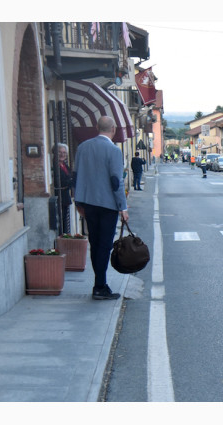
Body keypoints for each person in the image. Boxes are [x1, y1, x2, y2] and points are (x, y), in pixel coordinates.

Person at [73, 116, 128, 300]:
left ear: (97, 127)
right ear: (113, 129)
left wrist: (78, 202)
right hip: (107, 205)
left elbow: (76, 176)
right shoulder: (113, 150)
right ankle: (100, 286)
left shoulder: (82, 147)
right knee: (104, 246)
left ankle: (99, 284)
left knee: (95, 244)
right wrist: (123, 207)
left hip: (88, 203)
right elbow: (116, 181)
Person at [55, 143, 73, 234]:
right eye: (60, 152)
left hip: (65, 197)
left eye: (64, 153)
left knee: (65, 220)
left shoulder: (65, 165)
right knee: (60, 222)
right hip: (59, 197)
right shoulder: (54, 166)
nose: (62, 155)